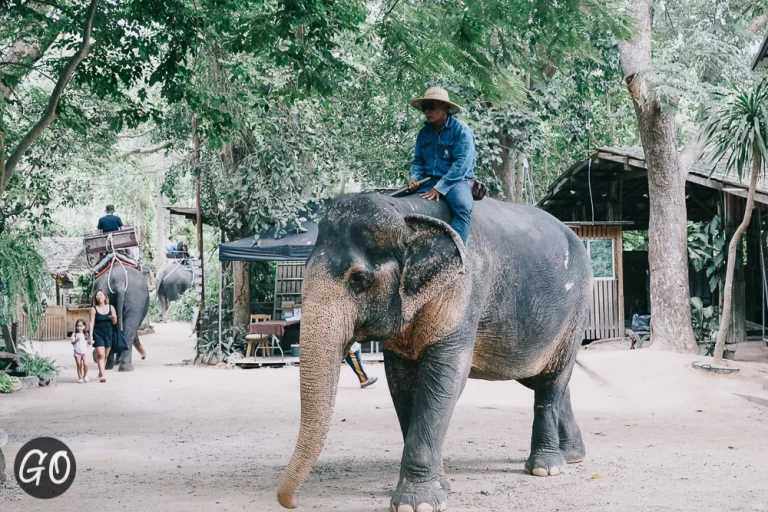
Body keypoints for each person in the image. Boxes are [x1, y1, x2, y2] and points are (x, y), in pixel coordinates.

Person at [406, 86, 477, 245]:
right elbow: (418, 162)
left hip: (455, 181)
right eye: (424, 108)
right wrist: (414, 178)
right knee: (396, 200)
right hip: (429, 181)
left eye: (431, 107)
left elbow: (462, 164)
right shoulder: (424, 133)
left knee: (463, 207)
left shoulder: (461, 131)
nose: (427, 111)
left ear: (444, 107)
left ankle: (457, 254)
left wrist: (440, 187)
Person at [89, 290, 117, 383]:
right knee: (101, 355)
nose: (99, 297)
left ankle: (101, 372)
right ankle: (103, 375)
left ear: (105, 297)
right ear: (95, 298)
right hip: (98, 334)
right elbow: (91, 323)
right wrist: (90, 336)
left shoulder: (111, 307)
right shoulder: (93, 309)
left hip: (109, 333)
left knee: (105, 356)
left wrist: (114, 319)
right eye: (97, 295)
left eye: (101, 295)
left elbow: (114, 322)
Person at [71, 319, 92, 383]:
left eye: (81, 326)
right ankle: (80, 377)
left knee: (86, 364)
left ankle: (85, 375)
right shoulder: (74, 334)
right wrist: (76, 340)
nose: (79, 327)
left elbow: (89, 342)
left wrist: (91, 342)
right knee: (79, 364)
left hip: (85, 352)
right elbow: (72, 342)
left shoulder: (86, 334)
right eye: (78, 326)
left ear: (84, 326)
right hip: (77, 351)